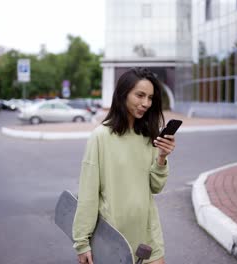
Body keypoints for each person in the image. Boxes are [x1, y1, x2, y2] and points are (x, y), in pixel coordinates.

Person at [72, 67, 176, 264]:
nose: (146, 103)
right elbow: (88, 193)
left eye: (150, 98)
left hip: (147, 235)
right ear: (123, 94)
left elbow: (156, 187)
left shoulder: (149, 137)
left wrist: (162, 157)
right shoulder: (100, 137)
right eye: (140, 95)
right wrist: (82, 242)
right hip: (113, 236)